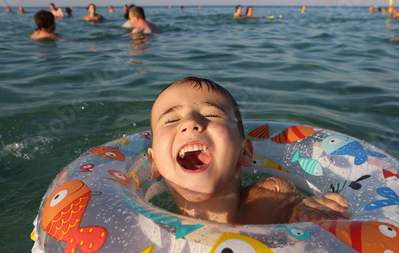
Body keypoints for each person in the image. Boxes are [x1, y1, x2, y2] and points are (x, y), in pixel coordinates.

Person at [147, 77, 350, 224]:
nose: (191, 123)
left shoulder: (271, 199)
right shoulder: (148, 221)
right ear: (154, 162)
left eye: (211, 114)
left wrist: (309, 213)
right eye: (172, 119)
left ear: (244, 152)